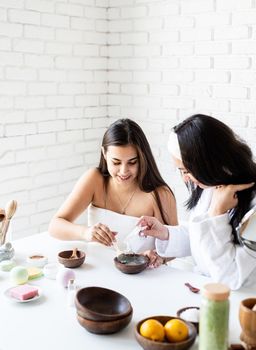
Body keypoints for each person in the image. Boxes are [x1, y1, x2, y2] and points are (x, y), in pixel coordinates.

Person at [137, 114, 256, 289]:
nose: (185, 179)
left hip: (239, 302)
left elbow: (231, 278)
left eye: (186, 171)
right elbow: (202, 240)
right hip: (205, 289)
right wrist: (166, 234)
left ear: (208, 162)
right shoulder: (211, 187)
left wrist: (217, 213)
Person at [49, 118, 177, 265]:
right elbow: (55, 226)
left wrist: (157, 256)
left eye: (132, 162)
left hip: (142, 276)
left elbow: (174, 246)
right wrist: (86, 233)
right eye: (116, 162)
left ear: (142, 158)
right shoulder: (94, 180)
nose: (123, 171)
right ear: (104, 154)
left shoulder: (159, 194)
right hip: (98, 270)